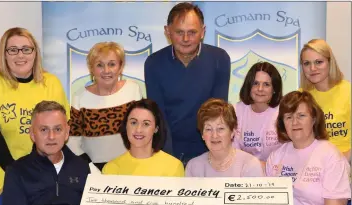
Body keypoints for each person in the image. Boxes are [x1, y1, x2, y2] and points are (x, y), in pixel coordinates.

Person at [144, 2, 231, 165]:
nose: (185, 39)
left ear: (203, 32)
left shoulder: (220, 59)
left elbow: (217, 114)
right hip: (167, 152)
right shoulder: (153, 63)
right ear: (167, 31)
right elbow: (158, 116)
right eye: (179, 32)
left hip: (208, 152)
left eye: (192, 32)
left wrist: (210, 158)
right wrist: (169, 160)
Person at [266, 91, 351, 205]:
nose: (294, 122)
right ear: (282, 123)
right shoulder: (276, 157)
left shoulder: (330, 155)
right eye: (288, 117)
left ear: (313, 119)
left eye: (301, 115)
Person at [2, 101, 92, 205]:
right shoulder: (16, 171)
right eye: (44, 130)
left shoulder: (81, 167)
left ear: (67, 132)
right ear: (32, 134)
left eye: (57, 129)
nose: (51, 136)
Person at [185, 98, 270, 205]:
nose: (214, 135)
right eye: (208, 129)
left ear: (233, 132)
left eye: (221, 128)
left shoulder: (249, 164)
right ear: (202, 134)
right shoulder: (193, 166)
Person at [102, 99, 184, 205]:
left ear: (156, 128)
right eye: (133, 122)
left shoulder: (174, 166)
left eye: (146, 124)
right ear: (125, 126)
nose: (138, 130)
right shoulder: (110, 168)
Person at [0, 27, 69, 192]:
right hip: (3, 178)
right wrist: (16, 171)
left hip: (44, 176)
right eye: (13, 50)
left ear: (35, 52)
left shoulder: (51, 83)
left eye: (26, 49)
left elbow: (60, 131)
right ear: (4, 54)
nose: (20, 55)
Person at [67, 42, 142, 171]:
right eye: (99, 65)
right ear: (91, 68)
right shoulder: (79, 97)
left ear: (120, 67)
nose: (106, 70)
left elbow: (142, 131)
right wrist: (90, 168)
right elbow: (72, 141)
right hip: (92, 171)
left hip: (131, 167)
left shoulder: (133, 90)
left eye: (112, 64)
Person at [300, 39, 351, 161]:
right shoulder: (301, 96)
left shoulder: (348, 91)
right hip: (312, 167)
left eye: (318, 62)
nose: (312, 68)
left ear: (330, 62)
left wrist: (343, 160)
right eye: (306, 63)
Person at [233, 62, 283, 168]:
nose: (260, 89)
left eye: (266, 84)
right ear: (248, 86)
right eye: (255, 83)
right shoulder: (236, 111)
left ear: (274, 89)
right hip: (243, 173)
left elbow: (289, 151)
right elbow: (233, 152)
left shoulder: (284, 112)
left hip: (276, 174)